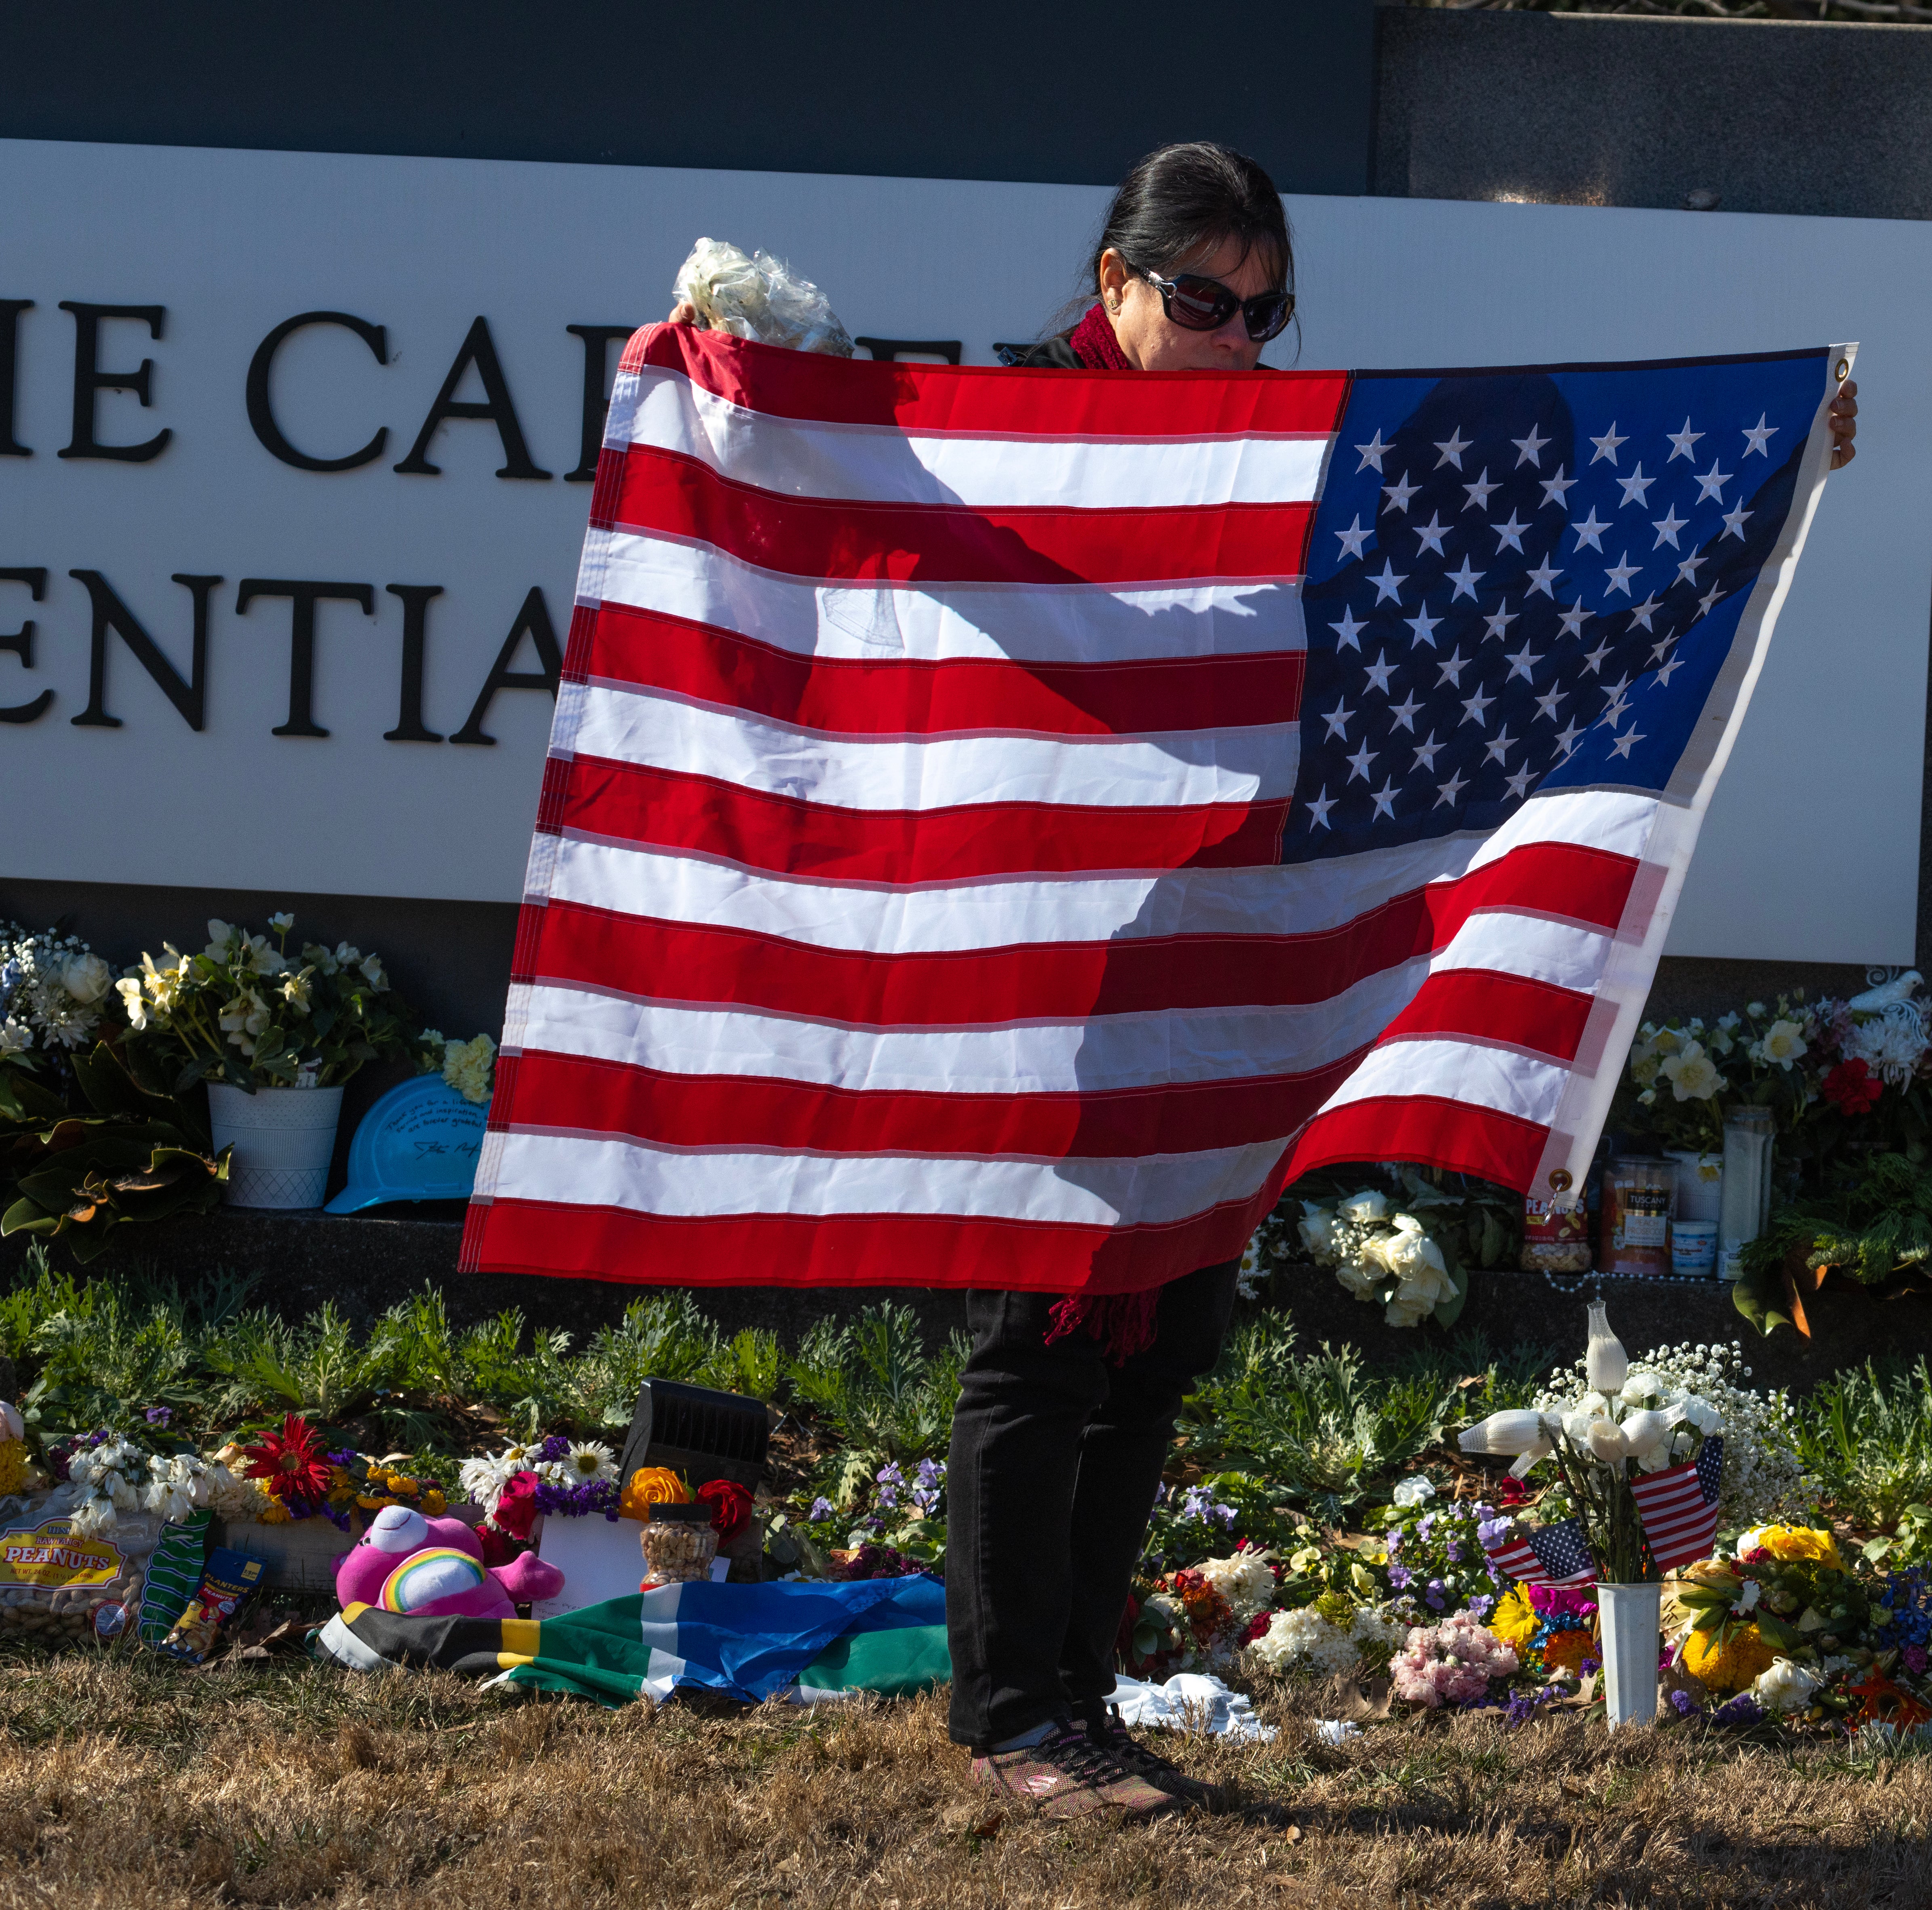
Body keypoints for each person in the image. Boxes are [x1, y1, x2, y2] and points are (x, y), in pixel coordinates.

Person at [671, 139, 1859, 1824]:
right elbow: (850, 494)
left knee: (1156, 1345)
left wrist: (1775, 479)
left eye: (1263, 306)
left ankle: (1073, 1702)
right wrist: (736, 359)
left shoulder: (1279, 463)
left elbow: (1532, 643)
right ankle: (1009, 1716)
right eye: (1201, 297)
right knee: (1043, 1341)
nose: (1236, 331)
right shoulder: (1004, 422)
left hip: (1213, 969)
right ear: (1112, 282)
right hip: (1049, 959)